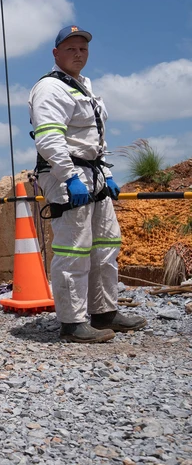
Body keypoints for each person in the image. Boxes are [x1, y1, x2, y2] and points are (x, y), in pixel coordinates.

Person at [29, 25, 147, 343]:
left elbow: (93, 137)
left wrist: (106, 174)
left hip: (92, 174)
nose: (79, 53)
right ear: (56, 54)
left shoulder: (84, 87)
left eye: (83, 49)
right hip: (67, 176)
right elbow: (49, 138)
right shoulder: (50, 89)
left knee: (106, 245)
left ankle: (104, 311)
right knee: (73, 249)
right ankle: (72, 322)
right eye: (71, 49)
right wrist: (69, 177)